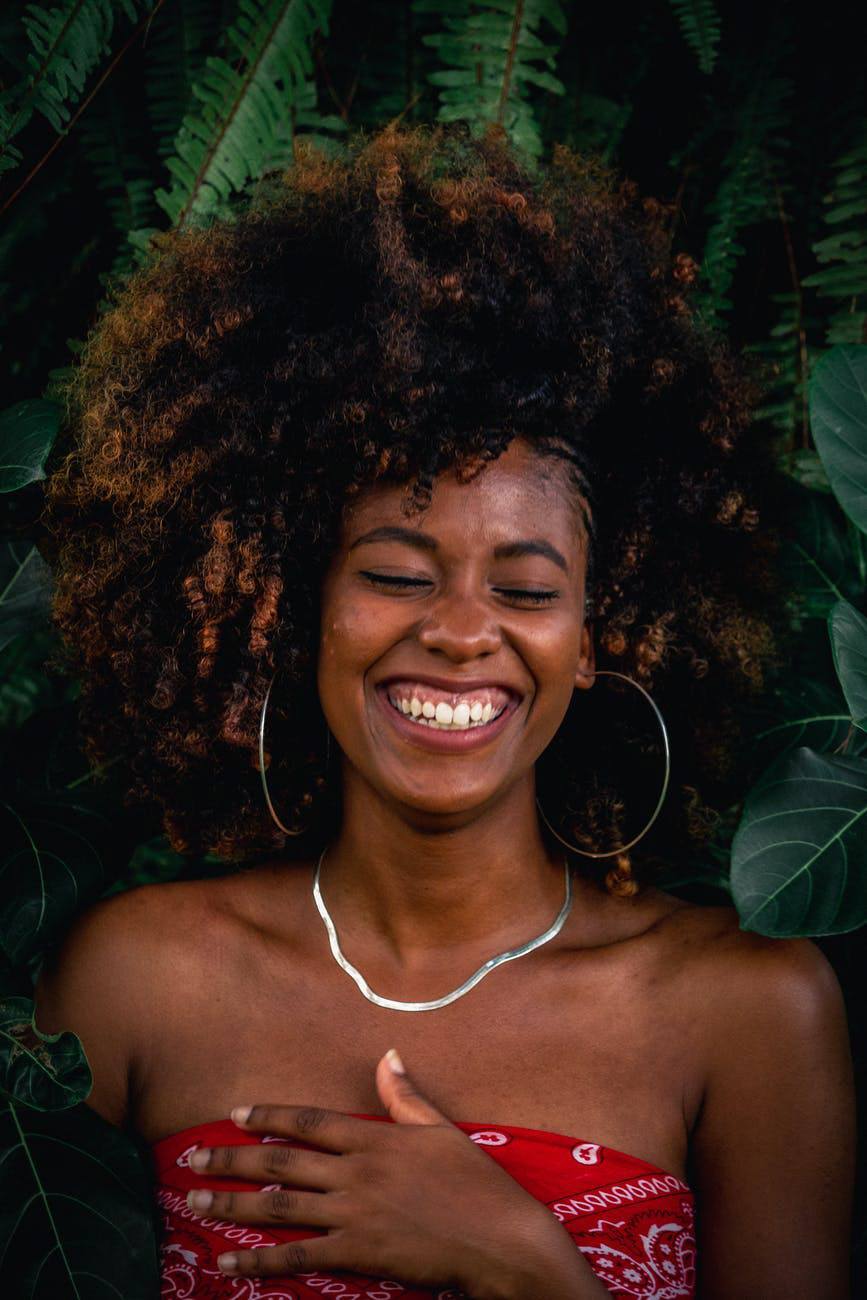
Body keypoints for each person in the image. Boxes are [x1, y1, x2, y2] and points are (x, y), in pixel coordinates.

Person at [34, 123, 854, 1298]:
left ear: (594, 640)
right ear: (288, 603)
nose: (464, 631)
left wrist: (525, 1262)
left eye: (525, 590)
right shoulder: (137, 982)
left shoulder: (749, 1010)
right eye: (397, 574)